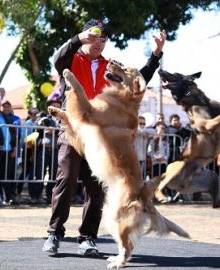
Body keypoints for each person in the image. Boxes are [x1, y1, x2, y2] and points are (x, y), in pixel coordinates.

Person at [42, 18, 166, 255]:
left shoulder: (111, 66)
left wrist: (156, 56)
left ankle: (87, 238)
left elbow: (138, 81)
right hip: (73, 131)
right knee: (65, 180)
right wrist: (78, 38)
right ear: (86, 35)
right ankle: (54, 234)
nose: (99, 42)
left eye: (104, 39)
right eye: (95, 36)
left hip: (100, 138)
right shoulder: (72, 58)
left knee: (96, 188)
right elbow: (57, 59)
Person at [134, 115, 154, 180]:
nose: (142, 125)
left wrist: (146, 132)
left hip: (143, 158)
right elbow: (139, 131)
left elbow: (153, 131)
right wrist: (146, 133)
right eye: (140, 123)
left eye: (144, 124)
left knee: (141, 177)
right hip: (135, 157)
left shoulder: (145, 131)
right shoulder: (135, 130)